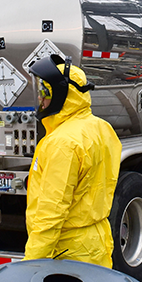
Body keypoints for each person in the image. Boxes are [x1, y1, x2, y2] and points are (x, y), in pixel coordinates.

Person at [24, 54, 121, 267]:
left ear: (62, 93)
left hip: (68, 251)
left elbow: (52, 213)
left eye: (45, 93)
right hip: (95, 242)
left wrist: (31, 263)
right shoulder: (102, 128)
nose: (41, 99)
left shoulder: (62, 142)